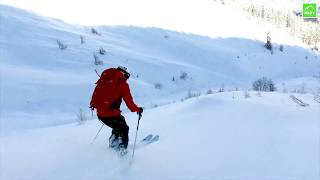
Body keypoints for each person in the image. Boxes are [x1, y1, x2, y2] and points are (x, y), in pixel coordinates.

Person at [90, 66, 143, 154]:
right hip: (110, 114)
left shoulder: (105, 80)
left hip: (100, 113)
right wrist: (138, 109)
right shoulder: (122, 84)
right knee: (124, 128)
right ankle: (122, 151)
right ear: (124, 74)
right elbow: (129, 103)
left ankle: (113, 142)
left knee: (119, 123)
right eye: (126, 75)